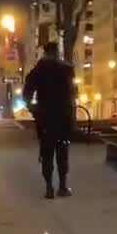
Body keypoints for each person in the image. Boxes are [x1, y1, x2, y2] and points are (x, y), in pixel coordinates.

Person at [23, 42, 76, 199]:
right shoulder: (66, 69)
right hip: (63, 117)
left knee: (46, 153)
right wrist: (71, 115)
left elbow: (26, 94)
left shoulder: (38, 71)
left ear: (45, 53)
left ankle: (49, 188)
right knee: (62, 151)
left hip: (45, 119)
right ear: (57, 52)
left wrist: (35, 110)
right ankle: (62, 186)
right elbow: (72, 94)